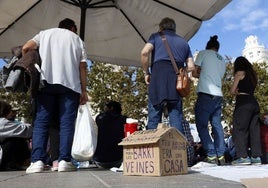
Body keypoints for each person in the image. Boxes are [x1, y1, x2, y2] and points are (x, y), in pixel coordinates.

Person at [22, 18, 88, 173]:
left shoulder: (44, 34)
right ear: (72, 28)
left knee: (42, 121)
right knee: (66, 123)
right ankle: (64, 160)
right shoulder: (77, 39)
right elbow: (83, 66)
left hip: (46, 82)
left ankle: (37, 161)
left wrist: (33, 66)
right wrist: (84, 90)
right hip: (70, 85)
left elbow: (26, 47)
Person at [141, 17, 194, 133]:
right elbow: (191, 66)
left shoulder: (155, 36)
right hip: (175, 84)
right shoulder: (184, 43)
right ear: (174, 29)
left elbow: (144, 52)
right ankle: (179, 150)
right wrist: (181, 70)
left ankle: (152, 148)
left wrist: (146, 73)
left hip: (157, 81)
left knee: (154, 119)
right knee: (176, 119)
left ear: (160, 28)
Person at [192, 35, 227, 165]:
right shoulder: (222, 59)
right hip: (219, 95)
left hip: (206, 93)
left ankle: (211, 154)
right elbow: (219, 76)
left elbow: (194, 72)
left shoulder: (203, 53)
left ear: (207, 46)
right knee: (217, 126)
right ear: (217, 48)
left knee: (201, 125)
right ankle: (221, 155)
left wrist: (200, 74)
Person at [230, 56, 262, 165]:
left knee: (239, 129)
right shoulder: (253, 75)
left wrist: (237, 92)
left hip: (243, 103)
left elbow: (232, 91)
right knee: (254, 130)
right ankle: (256, 157)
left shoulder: (239, 73)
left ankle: (243, 157)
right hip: (254, 102)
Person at [0, 100, 33, 170]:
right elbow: (27, 130)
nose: (13, 114)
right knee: (17, 137)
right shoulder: (2, 122)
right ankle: (23, 162)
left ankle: (14, 163)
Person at [93, 101, 127, 169]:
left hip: (99, 160)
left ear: (111, 108)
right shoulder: (124, 120)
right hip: (118, 160)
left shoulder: (99, 118)